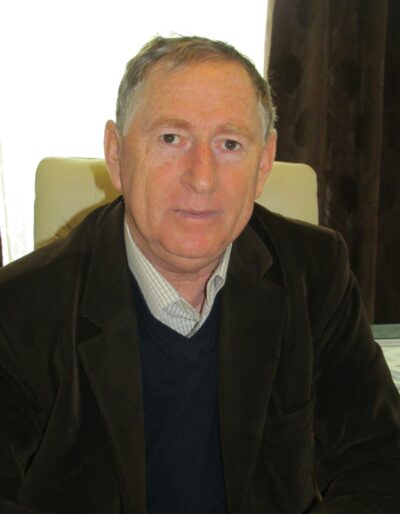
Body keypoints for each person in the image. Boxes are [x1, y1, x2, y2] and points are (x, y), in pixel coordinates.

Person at [0, 35, 399, 514]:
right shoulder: (22, 307)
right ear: (117, 154)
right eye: (172, 138)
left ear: (263, 163)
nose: (202, 177)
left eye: (230, 144)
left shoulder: (315, 273)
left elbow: (381, 461)